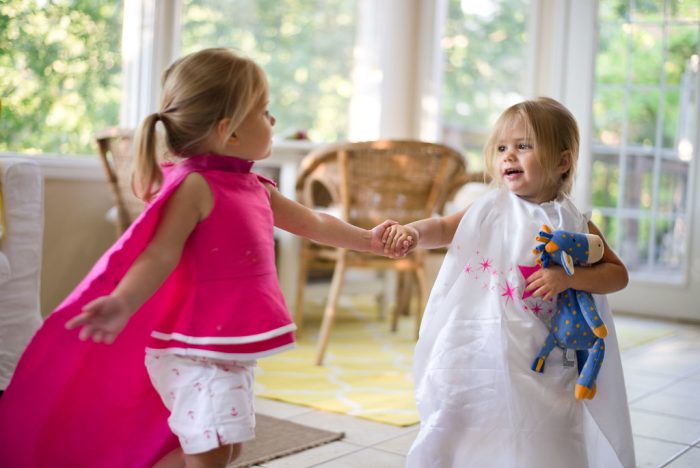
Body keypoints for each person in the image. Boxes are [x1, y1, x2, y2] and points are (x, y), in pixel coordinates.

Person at [0, 48, 401, 468]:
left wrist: (369, 241)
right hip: (195, 348)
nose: (273, 120)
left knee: (224, 447)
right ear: (228, 131)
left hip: (221, 345)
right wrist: (123, 302)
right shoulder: (194, 186)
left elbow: (315, 223)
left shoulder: (253, 186)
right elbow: (158, 254)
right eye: (264, 111)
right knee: (211, 451)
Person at [381, 97, 635, 468]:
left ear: (562, 161)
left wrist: (570, 278)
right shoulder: (490, 207)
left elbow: (618, 274)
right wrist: (413, 233)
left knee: (542, 425)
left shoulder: (574, 224)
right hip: (478, 341)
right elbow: (443, 227)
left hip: (541, 355)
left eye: (523, 146)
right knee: (471, 411)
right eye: (502, 148)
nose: (508, 156)